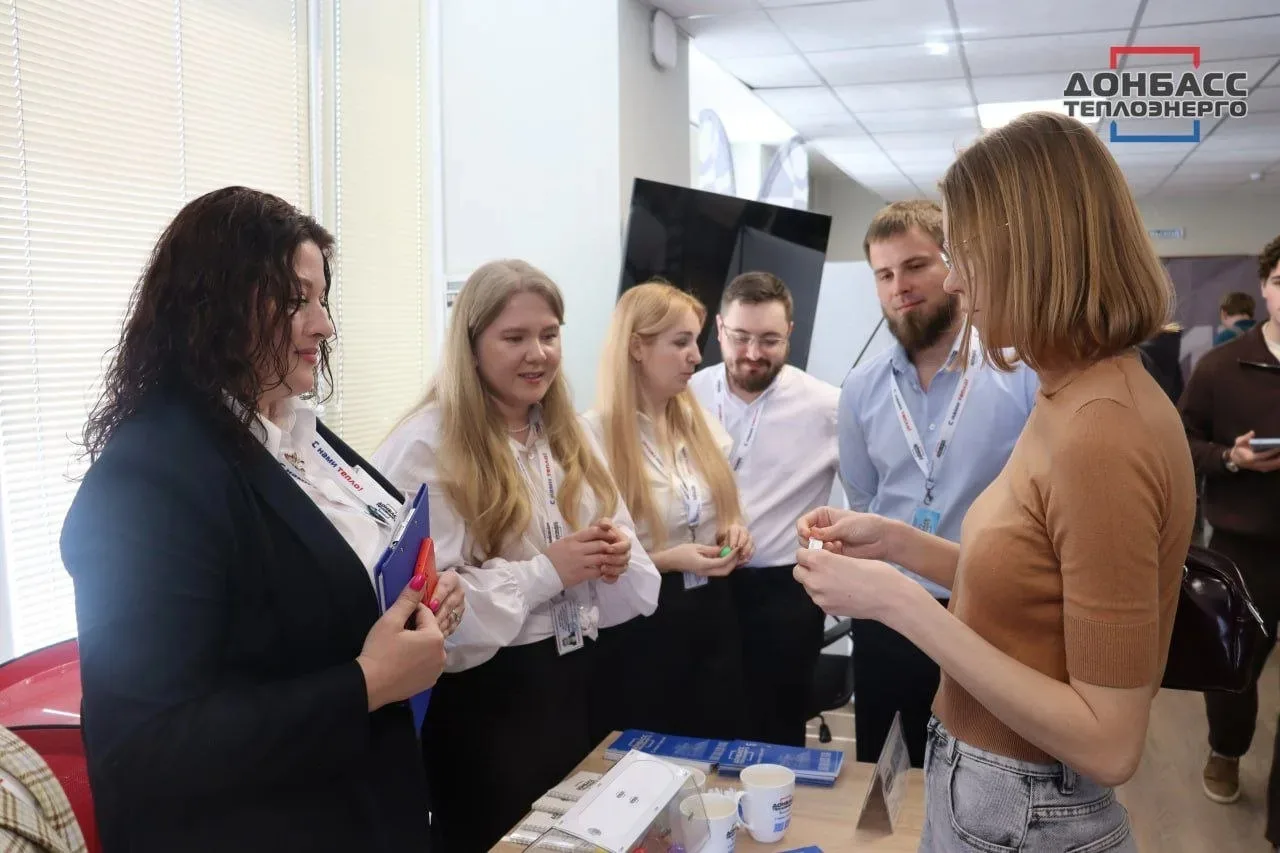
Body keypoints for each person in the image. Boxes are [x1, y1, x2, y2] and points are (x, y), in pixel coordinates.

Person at [795, 112, 1196, 851]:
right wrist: (900, 544)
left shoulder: (1101, 428)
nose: (953, 280)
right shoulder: (1065, 393)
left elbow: (1109, 741)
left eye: (964, 254)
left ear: (1032, 251)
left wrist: (898, 603)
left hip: (1024, 810)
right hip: (991, 792)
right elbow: (1031, 588)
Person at [60, 187, 452, 852]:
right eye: (297, 299)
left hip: (368, 808)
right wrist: (366, 683)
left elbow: (327, 603)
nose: (324, 325)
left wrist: (418, 606)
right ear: (213, 303)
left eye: (322, 299)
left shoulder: (299, 435)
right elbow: (143, 745)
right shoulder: (149, 478)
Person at [372, 259, 660, 853]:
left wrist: (614, 554)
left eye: (550, 335)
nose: (538, 354)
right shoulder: (428, 443)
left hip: (575, 679)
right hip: (486, 703)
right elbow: (426, 605)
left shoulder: (568, 433)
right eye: (515, 337)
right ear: (472, 346)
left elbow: (633, 562)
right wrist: (548, 571)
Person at [840, 199, 1038, 768]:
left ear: (953, 265)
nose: (899, 287)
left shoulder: (1019, 373)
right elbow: (863, 497)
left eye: (915, 266)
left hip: (987, 609)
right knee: (887, 773)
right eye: (884, 274)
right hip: (888, 611)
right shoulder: (860, 389)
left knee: (987, 770)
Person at [585, 281, 754, 742]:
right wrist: (668, 560)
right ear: (637, 347)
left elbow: (723, 512)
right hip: (642, 624)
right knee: (650, 757)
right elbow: (593, 559)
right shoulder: (592, 438)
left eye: (695, 342)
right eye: (681, 343)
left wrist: (734, 532)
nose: (696, 357)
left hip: (713, 613)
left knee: (718, 750)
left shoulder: (701, 427)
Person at [688, 272, 839, 747]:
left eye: (770, 340)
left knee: (778, 729)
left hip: (783, 593)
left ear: (790, 333)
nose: (753, 353)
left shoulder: (827, 406)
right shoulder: (684, 396)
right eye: (740, 337)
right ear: (718, 329)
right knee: (700, 725)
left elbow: (863, 499)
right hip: (699, 584)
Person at [1180, 232, 1280, 841]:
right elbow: (1183, 440)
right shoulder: (1222, 366)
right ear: (1265, 288)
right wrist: (1232, 458)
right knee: (1233, 665)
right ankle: (1227, 747)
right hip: (1245, 545)